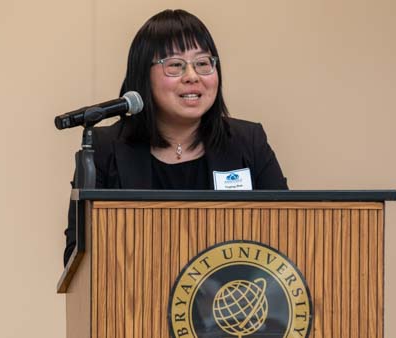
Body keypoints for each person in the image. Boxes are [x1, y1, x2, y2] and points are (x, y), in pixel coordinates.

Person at [63, 9, 288, 265]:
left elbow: (287, 233)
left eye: (203, 63)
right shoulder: (104, 149)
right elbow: (76, 257)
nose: (192, 76)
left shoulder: (248, 141)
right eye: (175, 65)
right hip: (135, 300)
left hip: (232, 296)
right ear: (142, 76)